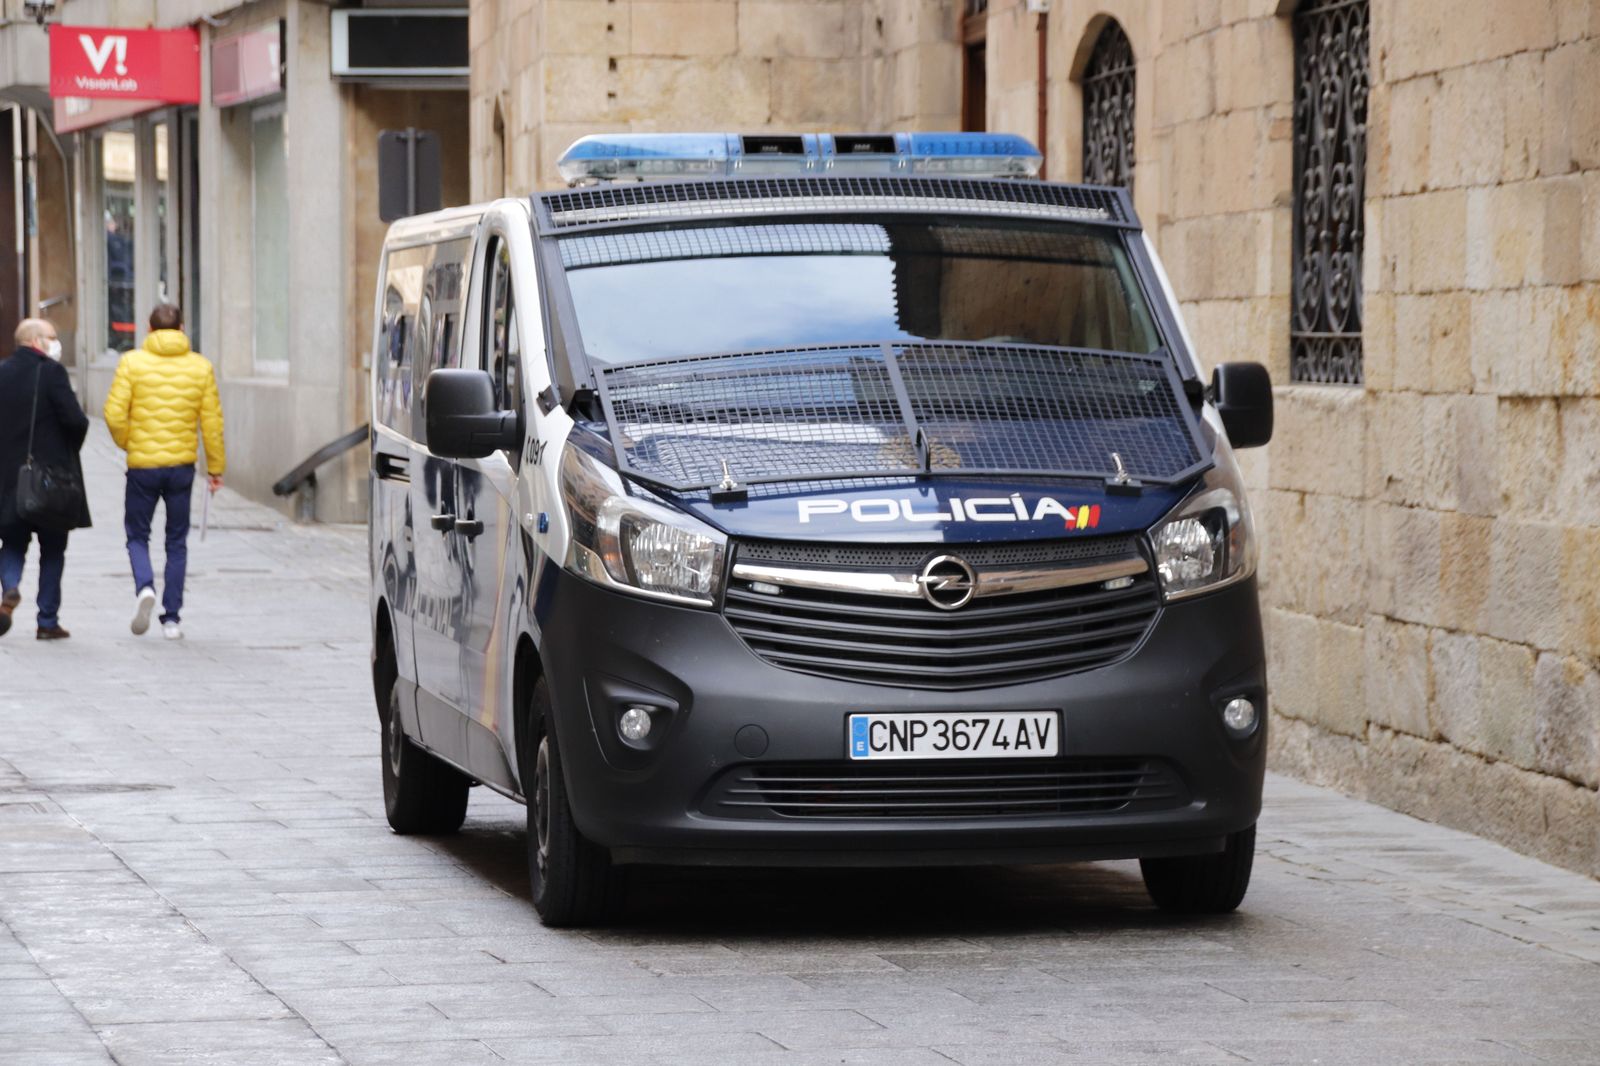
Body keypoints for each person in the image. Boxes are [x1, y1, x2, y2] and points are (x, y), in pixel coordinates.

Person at [104, 304, 225, 641]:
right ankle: (171, 618)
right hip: (180, 468)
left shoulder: (132, 362)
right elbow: (212, 424)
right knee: (176, 541)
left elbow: (113, 415)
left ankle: (144, 586)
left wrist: (131, 443)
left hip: (142, 467)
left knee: (137, 534)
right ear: (183, 329)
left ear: (148, 328)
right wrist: (215, 468)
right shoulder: (201, 367)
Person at [0, 318, 90, 640]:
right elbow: (75, 420)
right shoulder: (52, 373)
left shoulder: (3, 372)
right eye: (51, 337)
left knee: (11, 542)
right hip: (51, 479)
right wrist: (66, 449)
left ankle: (9, 589)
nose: (55, 342)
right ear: (36, 340)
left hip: (9, 478)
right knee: (53, 549)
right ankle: (47, 621)